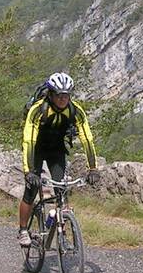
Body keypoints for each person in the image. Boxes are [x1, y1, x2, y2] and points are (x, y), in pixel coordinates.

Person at [17, 72, 99, 247]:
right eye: (59, 95)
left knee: (61, 191)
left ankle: (62, 234)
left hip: (56, 151)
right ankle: (23, 230)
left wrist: (93, 168)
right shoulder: (38, 110)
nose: (63, 99)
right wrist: (29, 171)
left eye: (67, 95)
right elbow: (28, 140)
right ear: (51, 94)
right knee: (31, 190)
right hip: (36, 150)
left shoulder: (75, 110)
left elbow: (87, 138)